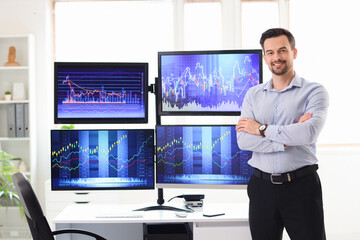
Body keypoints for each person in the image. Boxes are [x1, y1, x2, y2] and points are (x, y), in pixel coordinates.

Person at [236, 28, 328, 240]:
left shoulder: (314, 91)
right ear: (264, 57)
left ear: (294, 52)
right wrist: (287, 140)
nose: (276, 57)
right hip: (262, 188)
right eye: (270, 52)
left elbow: (308, 133)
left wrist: (261, 129)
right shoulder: (253, 94)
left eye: (282, 50)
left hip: (301, 187)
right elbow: (243, 140)